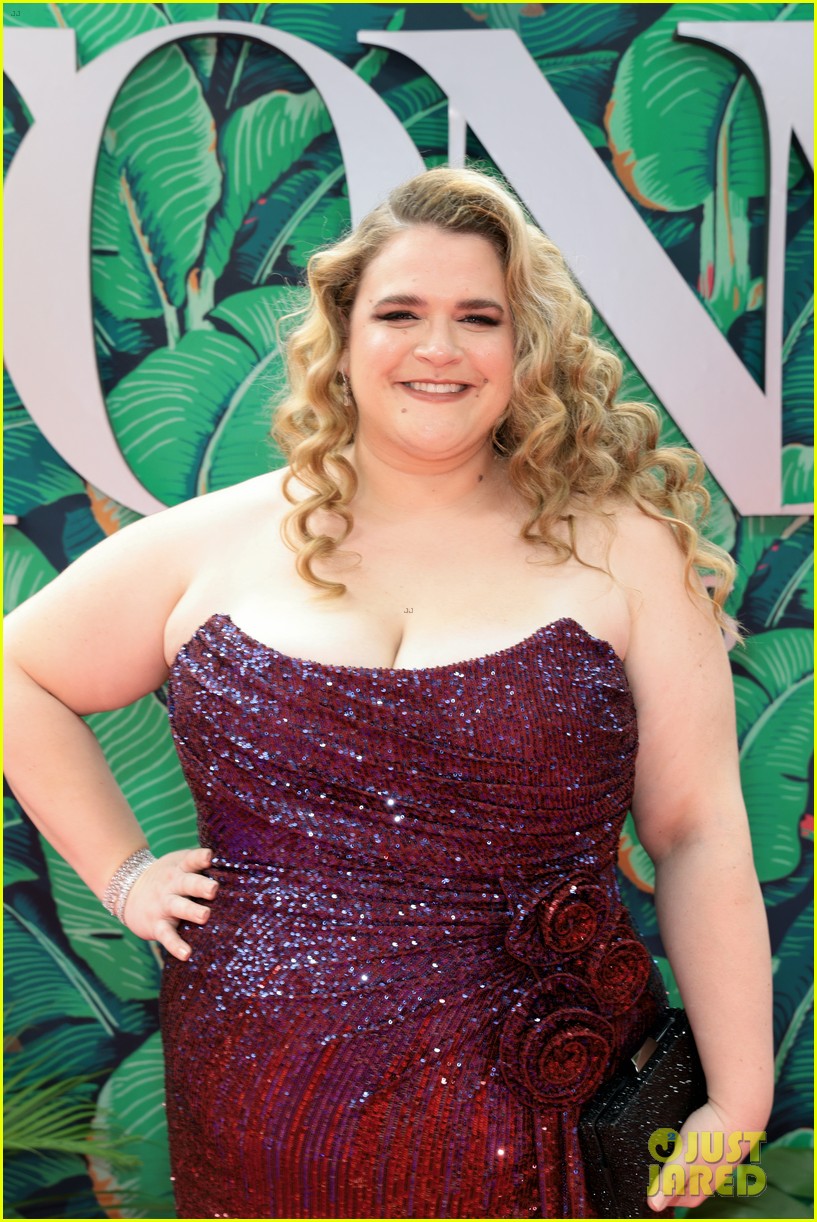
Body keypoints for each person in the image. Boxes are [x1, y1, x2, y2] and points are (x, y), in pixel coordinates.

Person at [4, 166, 773, 1219]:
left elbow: (694, 830)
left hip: (544, 1106)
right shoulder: (218, 540)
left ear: (527, 346)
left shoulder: (625, 550)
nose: (438, 347)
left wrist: (738, 1091)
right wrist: (123, 871)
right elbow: (18, 669)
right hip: (258, 1100)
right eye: (400, 313)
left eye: (478, 317)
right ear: (341, 334)